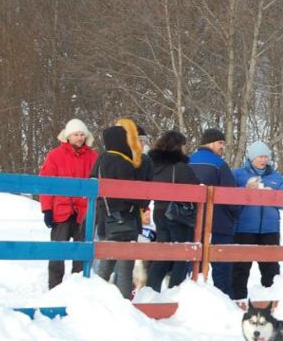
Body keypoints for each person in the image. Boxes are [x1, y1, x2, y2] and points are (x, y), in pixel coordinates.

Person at [90, 118, 151, 298]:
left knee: (106, 262)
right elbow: (131, 192)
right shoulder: (123, 162)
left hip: (103, 218)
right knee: (125, 265)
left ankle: (94, 298)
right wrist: (142, 204)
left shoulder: (101, 159)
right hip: (123, 218)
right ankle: (124, 302)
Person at [38, 118, 98, 289]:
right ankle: (55, 288)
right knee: (57, 253)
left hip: (85, 211)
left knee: (81, 254)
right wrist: (47, 209)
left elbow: (98, 183)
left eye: (82, 134)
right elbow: (46, 184)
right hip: (61, 210)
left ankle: (78, 288)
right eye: (76, 134)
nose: (79, 137)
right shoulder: (54, 156)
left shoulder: (93, 157)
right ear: (68, 136)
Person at [231, 140, 283, 300]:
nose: (263, 160)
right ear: (251, 158)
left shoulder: (277, 178)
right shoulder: (238, 175)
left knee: (270, 266)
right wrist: (245, 191)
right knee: (240, 266)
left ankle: (271, 300)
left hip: (270, 229)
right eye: (260, 157)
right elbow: (229, 198)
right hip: (244, 228)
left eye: (266, 156)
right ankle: (237, 299)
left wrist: (273, 196)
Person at [188, 127, 240, 297]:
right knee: (222, 268)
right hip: (219, 223)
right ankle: (225, 301)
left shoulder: (188, 161)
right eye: (220, 143)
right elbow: (230, 196)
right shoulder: (219, 164)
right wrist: (235, 214)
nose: (222, 147)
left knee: (194, 265)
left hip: (192, 223)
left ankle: (191, 298)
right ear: (209, 142)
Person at [146, 129, 200, 291]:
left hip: (159, 212)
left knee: (162, 254)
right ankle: (175, 292)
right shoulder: (180, 167)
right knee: (181, 256)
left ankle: (151, 290)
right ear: (177, 147)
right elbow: (196, 187)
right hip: (177, 214)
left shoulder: (153, 165)